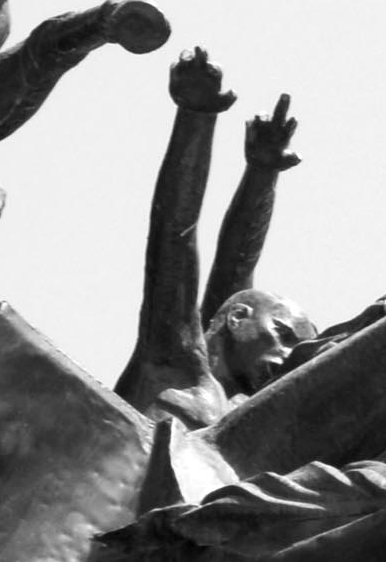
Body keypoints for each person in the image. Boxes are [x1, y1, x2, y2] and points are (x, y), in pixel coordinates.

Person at [114, 49, 313, 427]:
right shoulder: (173, 360)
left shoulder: (248, 419)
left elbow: (233, 272)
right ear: (237, 319)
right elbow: (175, 239)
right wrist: (197, 116)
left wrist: (262, 172)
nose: (289, 356)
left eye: (297, 350)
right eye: (284, 335)